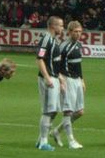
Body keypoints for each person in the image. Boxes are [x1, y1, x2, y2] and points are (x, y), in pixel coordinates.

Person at [51, 21, 85, 150]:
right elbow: (56, 64)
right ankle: (71, 141)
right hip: (67, 80)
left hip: (77, 80)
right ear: (69, 32)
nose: (78, 34)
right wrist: (60, 79)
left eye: (80, 31)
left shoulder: (79, 45)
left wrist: (82, 79)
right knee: (68, 111)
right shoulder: (63, 46)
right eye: (75, 31)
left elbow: (78, 64)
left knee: (80, 112)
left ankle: (56, 131)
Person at [35, 16, 66, 151]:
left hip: (54, 77)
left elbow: (52, 62)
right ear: (53, 26)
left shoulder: (54, 40)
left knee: (53, 110)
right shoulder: (46, 39)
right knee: (48, 111)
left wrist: (59, 77)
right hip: (47, 79)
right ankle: (43, 142)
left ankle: (40, 139)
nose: (62, 28)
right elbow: (39, 59)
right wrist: (47, 78)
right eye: (61, 25)